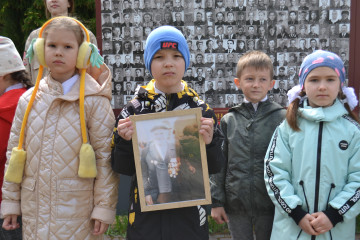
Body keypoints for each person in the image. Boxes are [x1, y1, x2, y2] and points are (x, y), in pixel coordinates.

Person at [2, 17, 119, 239]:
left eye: (67, 47)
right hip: (34, 211)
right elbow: (14, 155)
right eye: (52, 46)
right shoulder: (28, 100)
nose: (58, 52)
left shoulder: (94, 100)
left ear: (83, 53)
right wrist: (10, 203)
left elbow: (105, 158)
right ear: (39, 50)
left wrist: (104, 208)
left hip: (78, 212)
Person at [111, 26, 224, 240]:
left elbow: (216, 165)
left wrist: (209, 143)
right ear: (148, 63)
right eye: (159, 57)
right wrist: (125, 142)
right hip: (146, 219)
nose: (168, 63)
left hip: (190, 218)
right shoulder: (134, 110)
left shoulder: (200, 110)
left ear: (186, 62)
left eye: (176, 56)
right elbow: (121, 167)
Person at [264, 50, 360, 240]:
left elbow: (357, 180)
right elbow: (274, 173)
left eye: (330, 79)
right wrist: (296, 214)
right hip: (291, 230)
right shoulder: (288, 127)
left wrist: (334, 214)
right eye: (314, 80)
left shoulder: (353, 131)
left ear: (341, 85)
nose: (322, 86)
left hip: (334, 231)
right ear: (303, 85)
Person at [211, 51, 286, 240]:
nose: (256, 84)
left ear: (271, 84)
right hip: (236, 204)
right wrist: (216, 201)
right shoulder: (229, 120)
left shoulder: (282, 118)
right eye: (250, 78)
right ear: (238, 83)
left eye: (262, 79)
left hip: (271, 204)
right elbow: (219, 165)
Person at [0, 37, 33, 240]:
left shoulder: (4, 109)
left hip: (6, 205)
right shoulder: (36, 98)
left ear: (3, 75)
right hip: (33, 202)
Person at [23, 0, 97, 84]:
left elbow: (95, 74)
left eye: (67, 47)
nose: (54, 0)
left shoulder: (86, 36)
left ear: (69, 3)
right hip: (40, 95)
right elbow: (26, 75)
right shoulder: (35, 36)